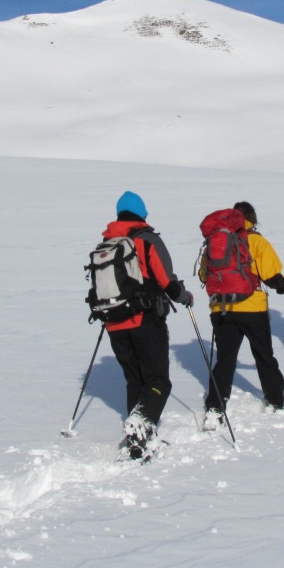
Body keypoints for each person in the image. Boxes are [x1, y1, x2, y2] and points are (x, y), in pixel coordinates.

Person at [99, 190, 193, 459]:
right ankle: (140, 427)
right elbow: (165, 280)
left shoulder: (107, 243)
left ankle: (137, 438)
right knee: (158, 381)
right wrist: (183, 297)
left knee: (135, 381)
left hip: (114, 323)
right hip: (145, 320)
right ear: (141, 213)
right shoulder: (146, 240)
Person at [201, 201, 284, 427]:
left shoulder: (215, 241)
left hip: (222, 309)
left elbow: (203, 274)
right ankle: (275, 400)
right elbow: (271, 276)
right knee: (264, 355)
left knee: (225, 360)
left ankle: (215, 407)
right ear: (252, 219)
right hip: (252, 307)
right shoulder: (255, 240)